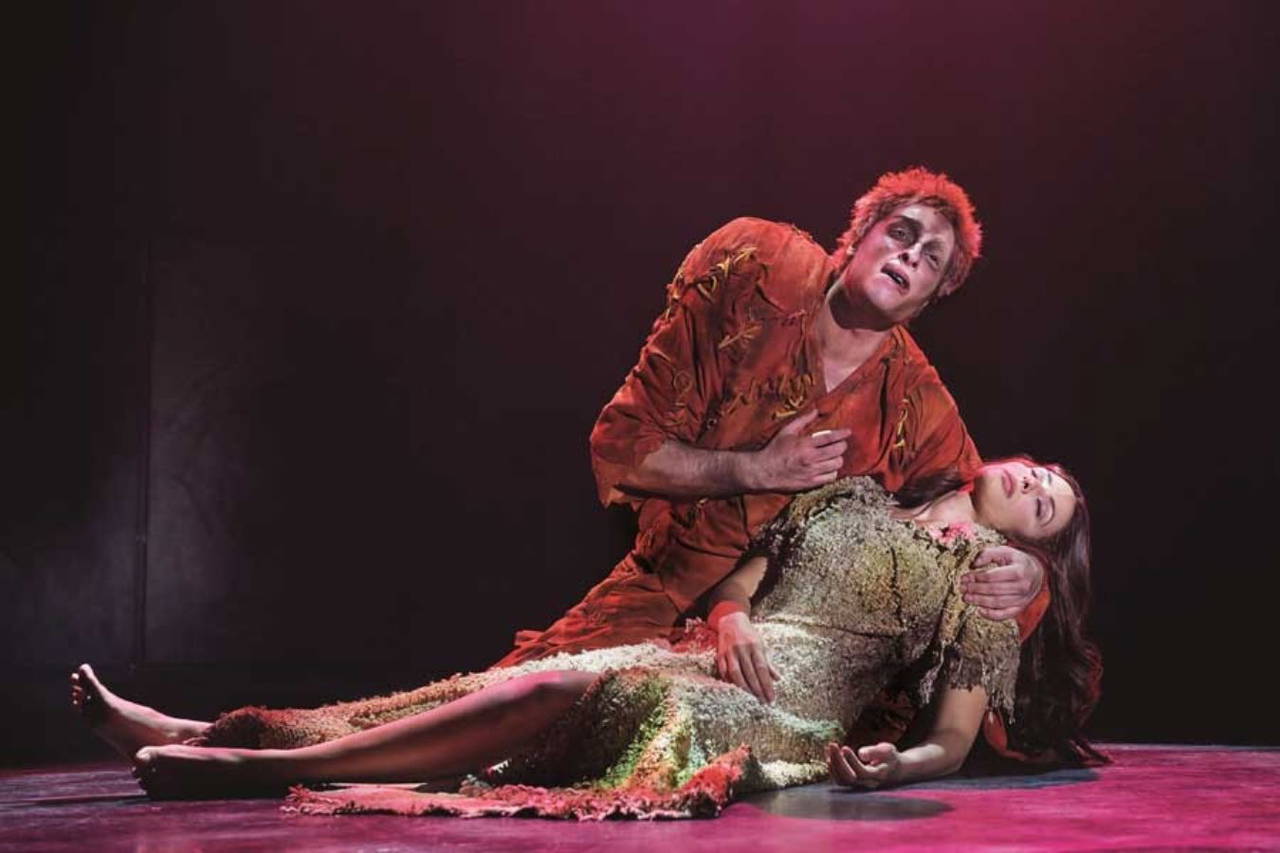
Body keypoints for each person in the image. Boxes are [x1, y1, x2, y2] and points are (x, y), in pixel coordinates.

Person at [71, 458, 1101, 819]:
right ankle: (207, 729)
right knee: (489, 691)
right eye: (1039, 469)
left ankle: (251, 774)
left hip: (778, 714)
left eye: (1047, 504)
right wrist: (731, 613)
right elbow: (746, 574)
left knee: (542, 700)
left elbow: (949, 741)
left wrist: (890, 767)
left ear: (1036, 548)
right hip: (709, 652)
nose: (1033, 482)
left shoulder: (984, 586)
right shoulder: (855, 495)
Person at [493, 167, 1051, 760]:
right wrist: (757, 470)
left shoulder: (916, 406)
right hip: (658, 595)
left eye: (932, 258)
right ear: (858, 234)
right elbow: (622, 450)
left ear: (933, 295)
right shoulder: (757, 269)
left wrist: (1032, 573)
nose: (910, 255)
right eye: (900, 233)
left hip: (776, 655)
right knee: (507, 715)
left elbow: (977, 502)